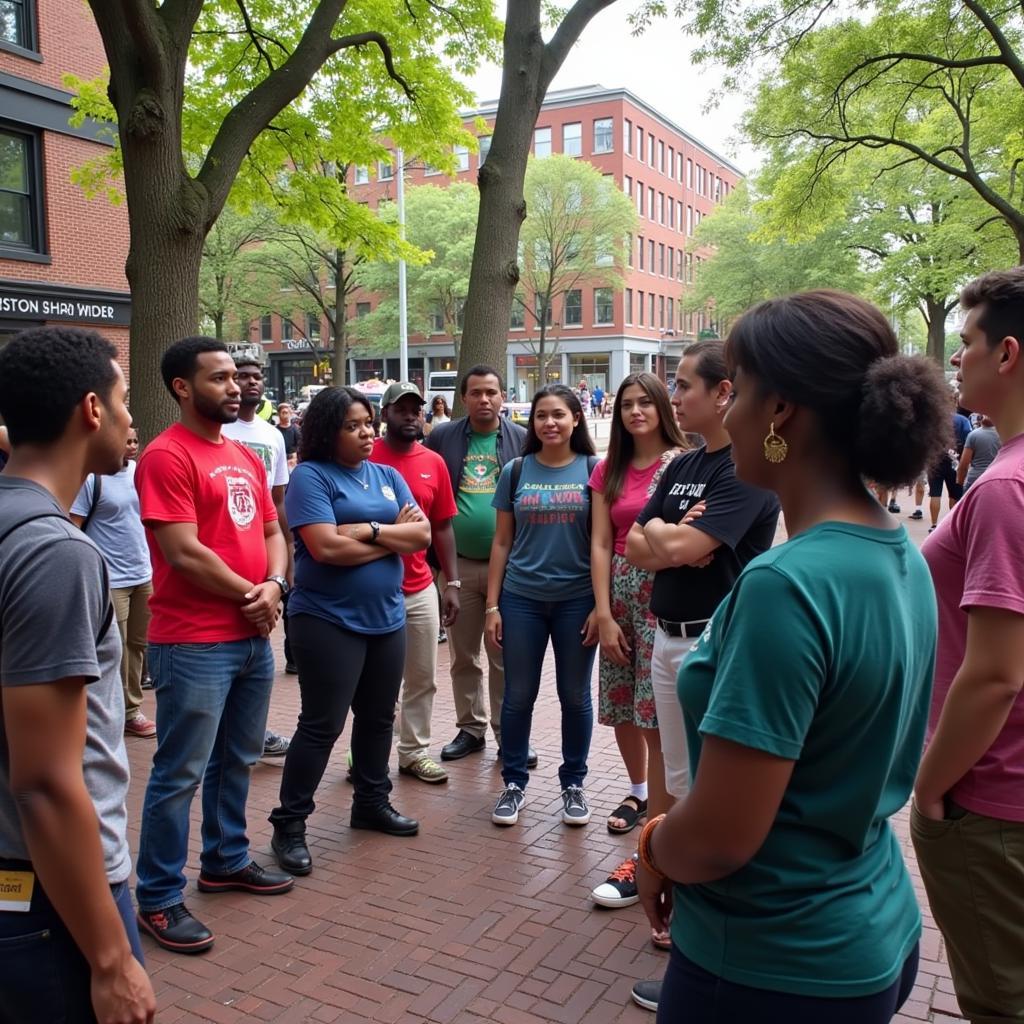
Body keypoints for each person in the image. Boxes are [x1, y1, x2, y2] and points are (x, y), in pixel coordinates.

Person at [635, 291, 949, 1022]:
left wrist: (653, 845)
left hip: (769, 964)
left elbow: (718, 838)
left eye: (736, 389)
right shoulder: (901, 552)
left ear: (779, 411)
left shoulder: (786, 585)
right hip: (873, 930)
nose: (727, 409)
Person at [0, 326, 155, 1023]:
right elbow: (43, 783)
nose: (131, 421)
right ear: (92, 409)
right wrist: (112, 956)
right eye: (124, 402)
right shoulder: (56, 553)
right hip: (54, 890)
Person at [621, 340, 780, 967]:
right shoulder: (682, 465)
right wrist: (673, 537)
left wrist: (671, 539)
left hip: (713, 639)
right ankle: (687, 900)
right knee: (681, 781)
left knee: (713, 783)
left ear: (723, 392)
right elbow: (638, 543)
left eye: (684, 384)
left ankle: (711, 915)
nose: (674, 395)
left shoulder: (746, 469)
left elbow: (682, 546)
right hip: (666, 635)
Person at [134, 336, 294, 955]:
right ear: (182, 387)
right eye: (220, 378)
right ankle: (158, 897)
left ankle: (226, 859)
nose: (236, 386)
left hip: (251, 637)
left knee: (238, 760)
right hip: (196, 643)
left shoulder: (243, 455)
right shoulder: (166, 456)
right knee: (179, 772)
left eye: (237, 376)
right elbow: (182, 551)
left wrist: (275, 584)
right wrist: (252, 595)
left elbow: (273, 528)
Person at [913, 268, 1024, 1024]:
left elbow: (993, 675)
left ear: (1008, 354)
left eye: (966, 345)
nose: (956, 362)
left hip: (988, 801)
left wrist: (929, 787)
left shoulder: (1001, 489)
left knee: (997, 1001)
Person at [269, 387, 430, 876]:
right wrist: (389, 540)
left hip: (387, 617)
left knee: (380, 718)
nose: (366, 433)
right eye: (353, 425)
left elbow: (420, 536)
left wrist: (367, 532)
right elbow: (326, 550)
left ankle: (370, 803)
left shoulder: (386, 475)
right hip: (327, 620)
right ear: (326, 431)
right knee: (322, 724)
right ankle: (290, 824)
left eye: (368, 424)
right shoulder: (310, 478)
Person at [586, 374, 687, 912]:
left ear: (663, 406)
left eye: (645, 401)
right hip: (619, 592)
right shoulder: (609, 468)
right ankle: (643, 795)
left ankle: (655, 841)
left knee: (656, 714)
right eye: (626, 404)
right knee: (623, 701)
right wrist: (602, 612)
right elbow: (600, 543)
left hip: (663, 592)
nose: (634, 411)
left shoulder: (681, 463)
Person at [486, 384, 599, 827]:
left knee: (574, 696)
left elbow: (602, 545)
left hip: (577, 600)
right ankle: (513, 783)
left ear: (576, 419)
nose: (549, 423)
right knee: (517, 696)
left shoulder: (594, 469)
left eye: (558, 415)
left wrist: (600, 606)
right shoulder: (516, 471)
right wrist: (493, 606)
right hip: (522, 600)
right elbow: (501, 541)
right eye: (540, 416)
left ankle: (574, 784)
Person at [426, 366, 530, 765]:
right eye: (475, 393)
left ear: (503, 396)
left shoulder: (522, 439)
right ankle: (471, 728)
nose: (484, 399)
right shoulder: (443, 438)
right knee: (463, 655)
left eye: (491, 392)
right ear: (463, 397)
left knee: (504, 653)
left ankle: (510, 734)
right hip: (458, 568)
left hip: (510, 570)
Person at [370, 382, 460, 784]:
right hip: (371, 588)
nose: (411, 415)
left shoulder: (433, 462)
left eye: (416, 409)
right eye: (401, 408)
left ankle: (413, 752)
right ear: (384, 414)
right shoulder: (365, 456)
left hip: (420, 586)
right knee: (371, 682)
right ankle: (365, 751)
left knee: (423, 676)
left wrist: (451, 582)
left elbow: (441, 527)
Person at [221, 355, 294, 757]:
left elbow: (278, 501)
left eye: (255, 376)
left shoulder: (272, 436)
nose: (249, 383)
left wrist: (286, 560)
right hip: (226, 557)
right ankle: (230, 733)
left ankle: (253, 730)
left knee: (260, 644)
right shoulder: (219, 430)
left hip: (265, 555)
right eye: (240, 376)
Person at [71, 427, 155, 739]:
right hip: (110, 578)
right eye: (126, 440)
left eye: (135, 441)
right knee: (113, 647)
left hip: (142, 573)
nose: (131, 447)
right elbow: (74, 526)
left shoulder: (140, 472)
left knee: (137, 645)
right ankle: (112, 712)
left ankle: (130, 709)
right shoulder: (93, 478)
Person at [927, 400, 972, 531]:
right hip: (955, 460)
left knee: (935, 493)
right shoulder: (962, 420)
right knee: (954, 494)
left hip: (935, 460)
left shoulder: (934, 419)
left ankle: (934, 524)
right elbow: (968, 438)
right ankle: (952, 526)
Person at [956, 414, 1000, 490]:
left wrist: (960, 481)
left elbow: (964, 464)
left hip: (975, 480)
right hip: (996, 478)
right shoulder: (1003, 435)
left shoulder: (973, 435)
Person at [276, 401, 301, 470]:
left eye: (287, 413)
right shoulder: (274, 431)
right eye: (283, 412)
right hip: (278, 463)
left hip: (293, 464)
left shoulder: (296, 430)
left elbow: (300, 446)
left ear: (291, 414)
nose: (285, 415)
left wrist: (295, 458)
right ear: (279, 414)